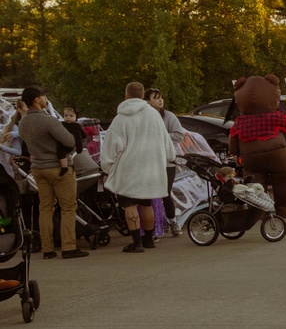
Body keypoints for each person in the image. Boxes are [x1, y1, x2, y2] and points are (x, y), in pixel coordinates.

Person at [102, 82, 177, 254]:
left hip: (128, 168)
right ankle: (149, 240)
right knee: (146, 203)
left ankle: (136, 243)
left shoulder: (120, 118)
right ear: (143, 95)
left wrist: (107, 166)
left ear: (126, 95)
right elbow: (165, 139)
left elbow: (112, 145)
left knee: (129, 205)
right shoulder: (154, 115)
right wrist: (170, 157)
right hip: (151, 167)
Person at [17, 85, 88, 259]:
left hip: (38, 168)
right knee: (68, 207)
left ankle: (47, 249)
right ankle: (68, 247)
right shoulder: (49, 121)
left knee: (45, 209)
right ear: (36, 100)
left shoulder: (23, 123)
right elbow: (70, 141)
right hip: (58, 169)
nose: (45, 99)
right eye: (43, 96)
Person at [143, 89, 184, 236]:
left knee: (165, 192)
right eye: (156, 98)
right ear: (147, 101)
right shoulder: (143, 117)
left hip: (167, 161)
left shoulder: (168, 116)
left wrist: (160, 136)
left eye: (161, 98)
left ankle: (172, 221)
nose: (160, 101)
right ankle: (153, 226)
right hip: (148, 161)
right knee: (149, 194)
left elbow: (179, 135)